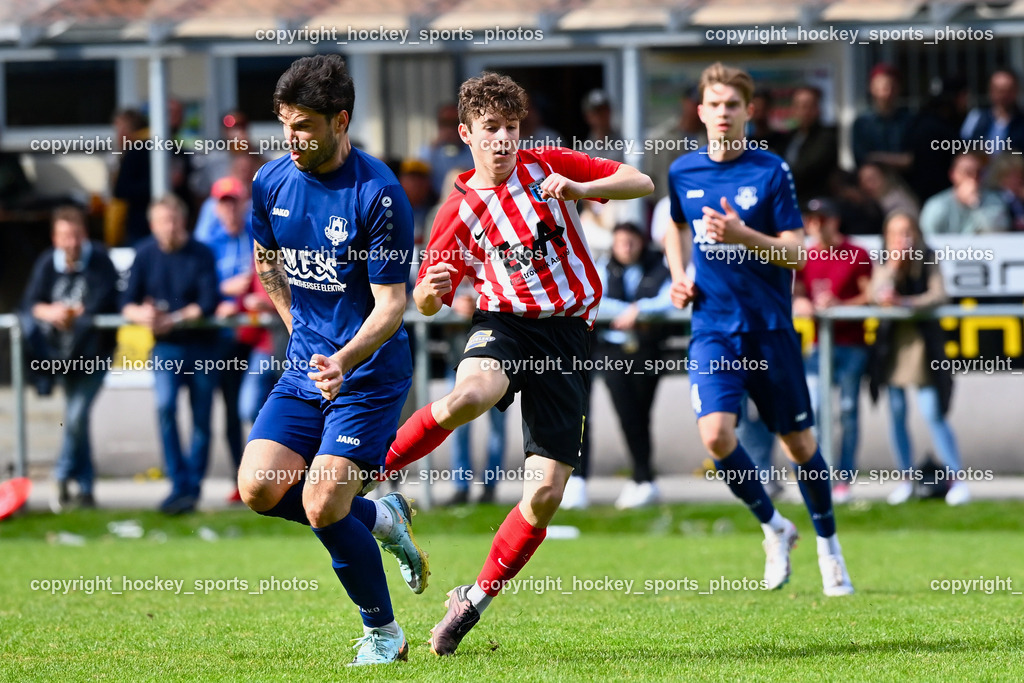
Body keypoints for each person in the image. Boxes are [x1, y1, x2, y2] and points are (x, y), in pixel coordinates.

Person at [378, 72, 653, 655]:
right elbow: (428, 301)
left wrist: (578, 191)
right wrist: (431, 290)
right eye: (491, 130)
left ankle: (471, 601)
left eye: (511, 128)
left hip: (568, 336)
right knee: (468, 397)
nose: (504, 140)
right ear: (466, 134)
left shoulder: (547, 164)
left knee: (546, 495)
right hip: (504, 326)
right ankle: (373, 474)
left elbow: (642, 181)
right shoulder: (457, 211)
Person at [234, 54, 428, 666]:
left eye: (305, 126)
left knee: (321, 503)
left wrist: (341, 357)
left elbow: (393, 306)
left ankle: (385, 635)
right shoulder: (270, 182)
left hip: (368, 371)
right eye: (286, 125)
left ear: (340, 121)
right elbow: (268, 264)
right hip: (306, 366)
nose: (292, 139)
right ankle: (379, 517)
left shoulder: (381, 195)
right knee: (259, 488)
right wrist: (302, 338)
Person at [663, 62, 854, 597]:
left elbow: (796, 253)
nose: (723, 113)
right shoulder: (683, 172)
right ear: (700, 111)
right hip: (713, 329)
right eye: (714, 104)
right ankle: (774, 526)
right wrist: (679, 278)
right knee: (715, 435)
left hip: (769, 329)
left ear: (749, 112)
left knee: (798, 444)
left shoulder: (771, 171)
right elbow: (674, 226)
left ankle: (829, 547)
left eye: (733, 105)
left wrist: (744, 233)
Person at [121, 195, 220, 515]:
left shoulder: (201, 253)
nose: (170, 227)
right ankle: (178, 483)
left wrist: (171, 319)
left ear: (184, 222)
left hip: (201, 344)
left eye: (175, 220)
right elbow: (127, 302)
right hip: (165, 347)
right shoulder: (144, 254)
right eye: (164, 221)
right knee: (165, 408)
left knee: (202, 418)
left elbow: (207, 302)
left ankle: (192, 486)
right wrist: (144, 316)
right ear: (153, 224)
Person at [868, 212, 970, 506]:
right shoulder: (883, 259)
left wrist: (909, 303)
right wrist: (893, 267)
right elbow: (877, 295)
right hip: (892, 347)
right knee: (896, 413)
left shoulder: (928, 258)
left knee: (932, 412)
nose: (903, 238)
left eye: (908, 232)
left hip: (922, 346)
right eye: (897, 233)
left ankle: (956, 478)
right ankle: (906, 479)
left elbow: (940, 295)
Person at [22, 206, 119, 510]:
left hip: (95, 353)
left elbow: (104, 300)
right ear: (55, 238)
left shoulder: (100, 260)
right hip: (62, 354)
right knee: (79, 421)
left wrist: (78, 313)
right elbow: (30, 304)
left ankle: (61, 475)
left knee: (75, 416)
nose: (71, 242)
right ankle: (86, 488)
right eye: (65, 236)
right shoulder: (47, 263)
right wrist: (51, 312)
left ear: (84, 235)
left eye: (75, 235)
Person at [792, 198, 872, 505]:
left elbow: (869, 295)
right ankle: (818, 474)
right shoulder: (805, 255)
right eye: (811, 220)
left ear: (834, 221)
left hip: (851, 345)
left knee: (848, 411)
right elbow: (797, 291)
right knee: (815, 409)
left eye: (820, 219)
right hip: (817, 346)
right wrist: (801, 303)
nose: (815, 225)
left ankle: (844, 477)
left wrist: (841, 307)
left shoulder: (857, 254)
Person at [595, 221, 673, 509]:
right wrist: (627, 312)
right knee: (626, 414)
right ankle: (642, 477)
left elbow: (671, 299)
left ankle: (643, 478)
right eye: (621, 242)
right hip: (613, 350)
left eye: (631, 241)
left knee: (642, 412)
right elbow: (594, 299)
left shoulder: (659, 266)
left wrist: (641, 310)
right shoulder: (604, 268)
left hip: (646, 349)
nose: (626, 248)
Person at [194, 176, 255, 503]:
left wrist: (245, 290)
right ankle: (240, 480)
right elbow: (199, 286)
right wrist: (222, 292)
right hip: (220, 340)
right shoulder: (206, 244)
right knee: (230, 412)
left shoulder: (256, 235)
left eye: (234, 202)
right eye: (224, 202)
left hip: (255, 337)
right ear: (216, 208)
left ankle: (273, 478)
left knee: (254, 408)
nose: (230, 209)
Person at [919, 152, 1010, 235]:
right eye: (968, 172)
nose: (973, 178)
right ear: (953, 174)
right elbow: (927, 236)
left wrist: (976, 204)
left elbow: (997, 233)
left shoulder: (994, 201)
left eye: (978, 172)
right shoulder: (937, 204)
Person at [851, 64, 913, 174]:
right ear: (872, 88)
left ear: (899, 88)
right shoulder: (862, 123)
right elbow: (862, 160)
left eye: (892, 86)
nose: (887, 92)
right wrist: (897, 160)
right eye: (883, 86)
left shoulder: (910, 121)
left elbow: (912, 159)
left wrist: (877, 158)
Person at [782, 85, 839, 206]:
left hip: (814, 202)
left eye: (807, 106)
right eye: (798, 106)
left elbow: (808, 169)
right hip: (788, 200)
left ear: (817, 108)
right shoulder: (789, 137)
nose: (803, 111)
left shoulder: (827, 136)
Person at [960, 69, 1024, 153]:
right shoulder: (976, 117)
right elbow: (964, 147)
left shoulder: (1021, 122)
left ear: (1016, 91)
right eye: (999, 90)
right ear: (990, 91)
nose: (1004, 95)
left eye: (1008, 90)